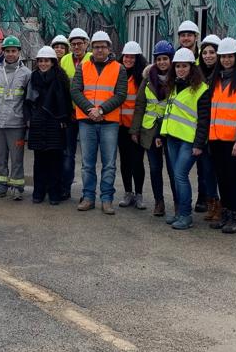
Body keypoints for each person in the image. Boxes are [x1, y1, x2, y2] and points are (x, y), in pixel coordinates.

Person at [71, 31, 128, 214]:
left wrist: (101, 110)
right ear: (91, 48)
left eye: (103, 47)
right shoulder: (83, 67)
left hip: (109, 121)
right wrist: (90, 110)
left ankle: (107, 199)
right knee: (87, 163)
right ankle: (88, 197)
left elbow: (120, 95)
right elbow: (76, 91)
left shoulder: (119, 69)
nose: (99, 50)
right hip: (87, 121)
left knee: (109, 163)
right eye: (96, 47)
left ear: (109, 48)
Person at [207, 37, 236, 234]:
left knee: (233, 178)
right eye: (223, 57)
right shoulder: (215, 79)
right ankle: (225, 212)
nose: (226, 60)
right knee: (221, 177)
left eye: (230, 56)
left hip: (233, 140)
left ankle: (235, 216)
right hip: (216, 138)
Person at [159, 48, 210, 229]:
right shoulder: (173, 85)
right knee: (176, 175)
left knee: (180, 175)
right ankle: (180, 213)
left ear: (192, 67)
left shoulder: (201, 89)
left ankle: (186, 215)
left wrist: (198, 144)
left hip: (189, 141)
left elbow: (204, 120)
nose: (181, 69)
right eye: (178, 66)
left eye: (185, 66)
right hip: (172, 137)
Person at [131, 41, 177, 217]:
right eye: (159, 59)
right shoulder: (148, 79)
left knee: (174, 170)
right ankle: (159, 202)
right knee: (155, 168)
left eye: (165, 58)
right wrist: (135, 130)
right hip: (149, 130)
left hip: (171, 130)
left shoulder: (178, 79)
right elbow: (140, 105)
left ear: (171, 60)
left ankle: (178, 203)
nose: (162, 62)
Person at [0, 35, 32, 200]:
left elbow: (27, 99)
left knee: (16, 158)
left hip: (16, 123)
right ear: (3, 52)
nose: (10, 54)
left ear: (19, 52)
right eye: (7, 51)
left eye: (14, 51)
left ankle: (17, 187)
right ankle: (1, 186)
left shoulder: (26, 74)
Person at [26, 46, 70, 205]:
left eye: (47, 61)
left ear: (53, 62)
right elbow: (28, 101)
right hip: (38, 123)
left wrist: (64, 121)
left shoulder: (60, 78)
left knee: (55, 160)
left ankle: (54, 193)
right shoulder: (33, 77)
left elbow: (66, 102)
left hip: (55, 123)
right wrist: (30, 118)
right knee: (39, 161)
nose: (43, 64)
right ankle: (38, 192)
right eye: (41, 61)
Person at [59, 27, 90, 201]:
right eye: (73, 44)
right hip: (69, 115)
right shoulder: (64, 60)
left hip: (86, 115)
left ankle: (87, 192)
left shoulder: (91, 60)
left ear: (86, 44)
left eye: (80, 43)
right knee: (68, 153)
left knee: (87, 156)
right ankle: (66, 187)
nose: (76, 47)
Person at [117, 41, 147, 209]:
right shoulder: (118, 74)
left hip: (136, 128)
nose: (128, 59)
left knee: (137, 161)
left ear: (138, 58)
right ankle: (128, 192)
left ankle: (139, 194)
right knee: (125, 161)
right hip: (120, 127)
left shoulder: (142, 77)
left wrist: (137, 128)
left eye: (132, 57)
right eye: (126, 56)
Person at [196, 34, 222, 219]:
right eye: (204, 52)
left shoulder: (223, 74)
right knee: (206, 171)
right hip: (203, 130)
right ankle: (211, 202)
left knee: (220, 171)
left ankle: (223, 206)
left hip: (220, 130)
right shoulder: (197, 74)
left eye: (212, 52)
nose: (208, 56)